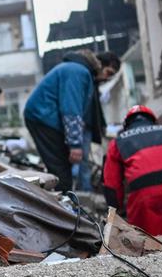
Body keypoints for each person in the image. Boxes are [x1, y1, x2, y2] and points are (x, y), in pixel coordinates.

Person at [23, 50, 120, 191]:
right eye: (109, 73)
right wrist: (75, 144)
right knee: (61, 171)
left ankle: (62, 201)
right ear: (99, 65)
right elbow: (71, 109)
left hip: (44, 119)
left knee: (61, 169)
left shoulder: (76, 70)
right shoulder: (78, 72)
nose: (107, 78)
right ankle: (64, 205)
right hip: (44, 119)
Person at [102, 105, 162, 244]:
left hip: (146, 193)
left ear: (127, 125)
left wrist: (115, 210)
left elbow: (111, 183)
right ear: (153, 121)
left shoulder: (118, 142)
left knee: (155, 243)